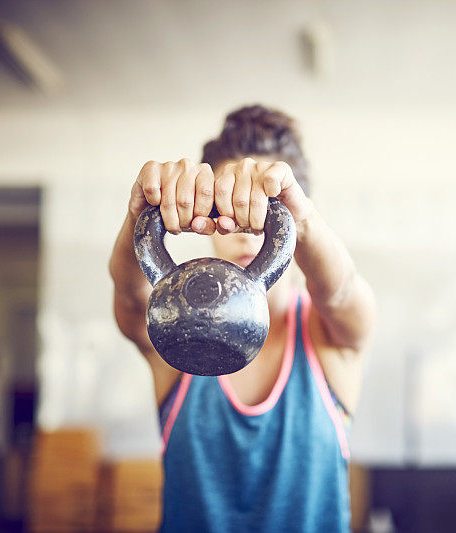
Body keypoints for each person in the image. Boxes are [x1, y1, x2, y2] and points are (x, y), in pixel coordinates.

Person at [108, 105, 375, 532]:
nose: (249, 228)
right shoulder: (175, 332)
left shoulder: (331, 337)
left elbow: (341, 290)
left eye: (264, 210)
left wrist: (299, 218)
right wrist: (138, 214)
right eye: (230, 209)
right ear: (209, 217)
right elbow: (129, 294)